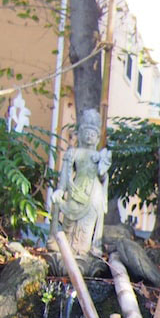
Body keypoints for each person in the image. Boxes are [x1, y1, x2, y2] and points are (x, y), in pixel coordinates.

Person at [49, 108, 109, 257]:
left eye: (93, 134)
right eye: (86, 133)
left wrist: (104, 169)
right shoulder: (73, 152)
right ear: (80, 135)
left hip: (93, 192)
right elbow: (65, 174)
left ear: (97, 138)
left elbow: (102, 176)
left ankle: (83, 250)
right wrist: (61, 190)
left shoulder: (99, 155)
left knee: (86, 226)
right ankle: (64, 247)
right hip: (75, 189)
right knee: (69, 222)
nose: (89, 136)